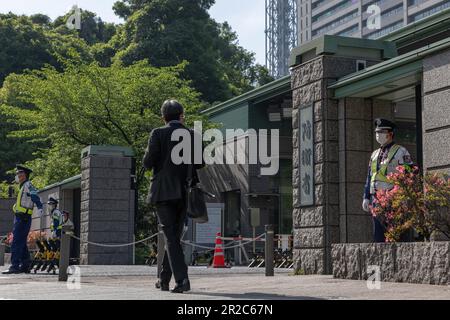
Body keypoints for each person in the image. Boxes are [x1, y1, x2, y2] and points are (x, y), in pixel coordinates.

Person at [143, 99, 203, 293]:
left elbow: (148, 162)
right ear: (181, 116)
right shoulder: (192, 135)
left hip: (163, 192)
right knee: (174, 238)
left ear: (163, 117)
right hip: (185, 192)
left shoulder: (158, 133)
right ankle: (164, 279)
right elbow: (200, 163)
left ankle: (182, 280)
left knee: (171, 237)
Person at [362, 119, 413, 243]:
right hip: (376, 198)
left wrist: (403, 195)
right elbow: (370, 177)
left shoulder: (401, 151)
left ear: (390, 134)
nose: (378, 135)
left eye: (381, 132)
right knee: (378, 234)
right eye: (376, 132)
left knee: (395, 231)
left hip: (392, 197)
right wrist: (366, 197)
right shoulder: (374, 154)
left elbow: (410, 172)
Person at [2, 165, 43, 274]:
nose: (18, 175)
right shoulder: (22, 186)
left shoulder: (27, 184)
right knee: (21, 242)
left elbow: (34, 195)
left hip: (23, 218)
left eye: (20, 173)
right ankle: (25, 265)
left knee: (16, 242)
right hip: (20, 217)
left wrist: (39, 206)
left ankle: (14, 267)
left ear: (25, 175)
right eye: (17, 173)